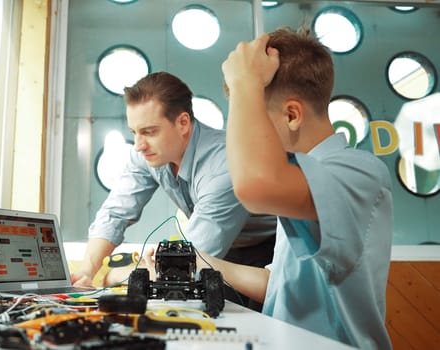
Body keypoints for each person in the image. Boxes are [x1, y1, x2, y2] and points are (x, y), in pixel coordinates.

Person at [200, 27, 393, 349]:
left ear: (292, 115)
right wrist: (201, 261)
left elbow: (254, 185)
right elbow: (278, 285)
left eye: (255, 118)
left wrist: (244, 82)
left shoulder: (357, 173)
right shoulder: (302, 178)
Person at [71, 71, 276, 310]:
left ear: (183, 123)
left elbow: (189, 262)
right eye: (134, 132)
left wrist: (114, 277)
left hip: (263, 254)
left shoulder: (223, 165)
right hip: (218, 251)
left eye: (149, 131)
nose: (138, 145)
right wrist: (87, 271)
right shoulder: (148, 154)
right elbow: (116, 212)